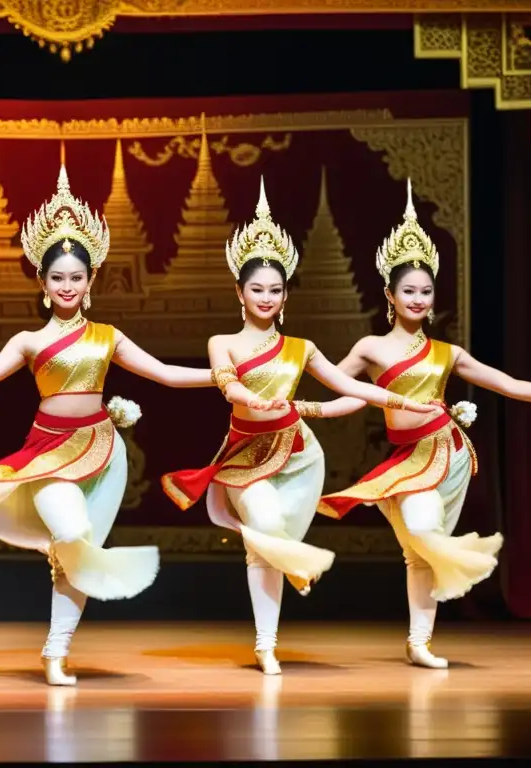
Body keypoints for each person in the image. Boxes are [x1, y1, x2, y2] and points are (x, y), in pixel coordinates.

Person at [0, 165, 219, 686]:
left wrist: (225, 376)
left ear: (90, 282)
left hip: (104, 456)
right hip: (47, 455)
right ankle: (63, 557)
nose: (67, 286)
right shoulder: (29, 341)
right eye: (57, 277)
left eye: (76, 277)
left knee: (76, 558)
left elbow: (167, 374)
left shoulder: (108, 336)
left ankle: (55, 652)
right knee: (71, 535)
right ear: (42, 283)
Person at [161, 179, 440, 675]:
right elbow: (229, 386)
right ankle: (277, 613)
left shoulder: (301, 347)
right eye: (256, 289)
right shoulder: (221, 341)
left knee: (263, 547)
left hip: (297, 453)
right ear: (239, 292)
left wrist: (396, 397)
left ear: (285, 295)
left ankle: (268, 639)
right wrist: (250, 395)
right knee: (264, 529)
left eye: (275, 289)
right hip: (245, 453)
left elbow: (348, 387)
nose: (266, 297)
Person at [317, 180, 531, 668]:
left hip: (445, 456)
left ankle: (419, 641)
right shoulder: (370, 349)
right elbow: (341, 393)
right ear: (390, 293)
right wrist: (295, 412)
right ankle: (440, 600)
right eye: (409, 290)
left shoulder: (447, 354)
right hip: (405, 461)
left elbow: (508, 384)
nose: (419, 299)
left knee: (419, 555)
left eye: (426, 292)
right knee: (421, 534)